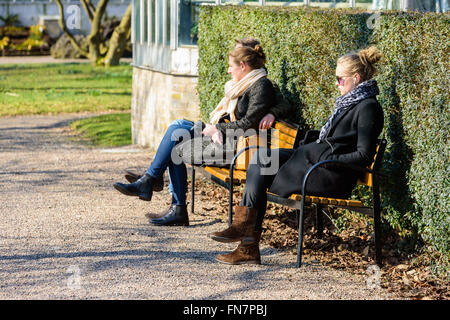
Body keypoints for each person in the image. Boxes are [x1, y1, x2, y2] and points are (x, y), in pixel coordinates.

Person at [208, 46, 385, 265]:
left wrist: (323, 159)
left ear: (356, 79)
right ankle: (244, 234)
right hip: (314, 163)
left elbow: (364, 156)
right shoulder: (350, 102)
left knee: (262, 172)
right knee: (261, 159)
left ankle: (247, 242)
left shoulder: (368, 108)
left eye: (340, 79)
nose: (336, 84)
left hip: (328, 175)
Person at [119, 38, 293, 222]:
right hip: (228, 138)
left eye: (231, 65)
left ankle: (159, 189)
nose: (228, 70)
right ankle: (153, 183)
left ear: (243, 64)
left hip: (235, 147)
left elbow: (249, 123)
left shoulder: (261, 85)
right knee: (176, 128)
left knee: (175, 138)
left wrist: (217, 127)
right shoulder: (247, 84)